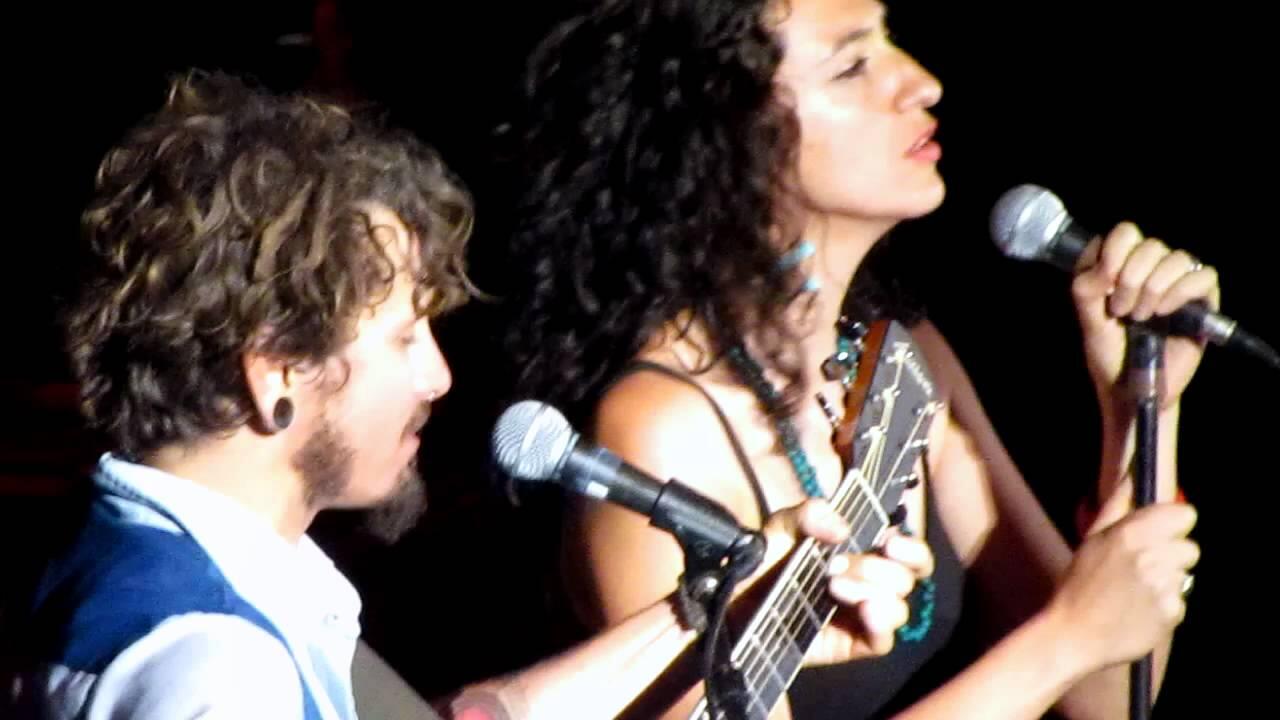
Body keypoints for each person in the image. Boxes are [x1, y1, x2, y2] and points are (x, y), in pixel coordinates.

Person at [2, 70, 923, 720]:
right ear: (276, 370)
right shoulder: (213, 669)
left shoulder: (182, 555)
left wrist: (719, 616)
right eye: (405, 336)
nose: (438, 376)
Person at [501, 0, 1207, 718]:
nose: (922, 83)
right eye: (851, 66)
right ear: (727, 140)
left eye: (889, 41)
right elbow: (1076, 644)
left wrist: (1142, 404)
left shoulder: (904, 360)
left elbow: (1109, 696)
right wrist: (1064, 641)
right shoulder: (663, 431)